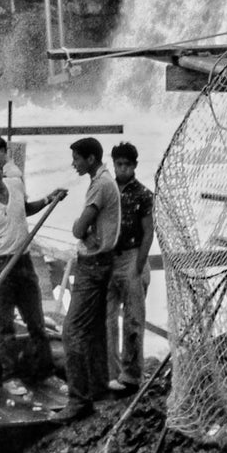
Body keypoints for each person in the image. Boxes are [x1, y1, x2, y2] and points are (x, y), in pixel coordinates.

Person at [0, 151, 67, 400]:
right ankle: (10, 377)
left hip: (24, 262)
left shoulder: (15, 184)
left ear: (2, 170)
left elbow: (24, 210)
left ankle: (45, 373)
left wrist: (48, 199)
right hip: (0, 267)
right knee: (5, 327)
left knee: (37, 323)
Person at [61, 137, 121, 420]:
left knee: (71, 331)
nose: (73, 163)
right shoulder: (104, 180)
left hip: (94, 264)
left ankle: (78, 400)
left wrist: (79, 228)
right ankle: (98, 388)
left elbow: (78, 228)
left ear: (91, 159)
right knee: (95, 329)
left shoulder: (100, 185)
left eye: (77, 158)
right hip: (103, 261)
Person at [106, 142, 155, 393]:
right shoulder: (108, 189)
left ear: (135, 165)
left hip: (133, 255)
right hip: (109, 257)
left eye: (127, 164)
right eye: (118, 164)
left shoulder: (144, 194)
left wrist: (139, 265)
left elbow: (149, 232)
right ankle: (110, 372)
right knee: (107, 318)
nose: (122, 168)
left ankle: (131, 376)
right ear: (113, 164)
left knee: (134, 320)